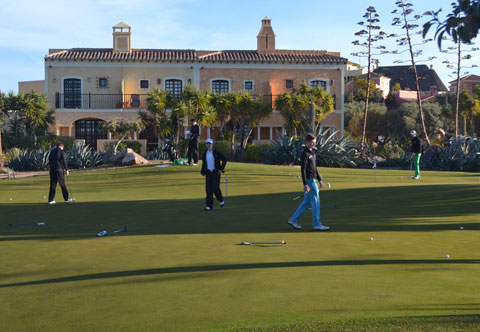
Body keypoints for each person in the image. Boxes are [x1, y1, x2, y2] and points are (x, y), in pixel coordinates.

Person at [287, 133, 330, 231]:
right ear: (306, 142)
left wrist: (320, 180)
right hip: (309, 181)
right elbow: (303, 170)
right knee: (316, 202)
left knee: (307, 202)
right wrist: (305, 184)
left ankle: (293, 220)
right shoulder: (304, 153)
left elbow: (315, 168)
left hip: (314, 179)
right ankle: (317, 224)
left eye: (314, 143)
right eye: (311, 143)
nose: (313, 145)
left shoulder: (313, 152)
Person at [200, 138, 227, 211]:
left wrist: (221, 169)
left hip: (216, 173)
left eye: (210, 144)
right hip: (208, 173)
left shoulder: (216, 153)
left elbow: (224, 159)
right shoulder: (205, 153)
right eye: (207, 144)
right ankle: (209, 206)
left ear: (212, 144)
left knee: (215, 188)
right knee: (208, 190)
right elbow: (204, 163)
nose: (208, 145)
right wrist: (202, 171)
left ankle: (221, 200)